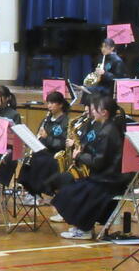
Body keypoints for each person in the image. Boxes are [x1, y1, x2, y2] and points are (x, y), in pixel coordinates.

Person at [52, 95, 128, 240]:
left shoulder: (107, 132)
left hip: (108, 180)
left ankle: (84, 229)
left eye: (95, 109)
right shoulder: (107, 128)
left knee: (73, 193)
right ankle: (83, 227)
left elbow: (98, 162)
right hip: (104, 177)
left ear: (104, 112)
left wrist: (79, 156)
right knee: (71, 189)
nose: (92, 111)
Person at [0, 85, 21, 187]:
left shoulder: (14, 114)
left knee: (2, 157)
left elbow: (17, 139)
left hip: (8, 147)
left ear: (7, 98)